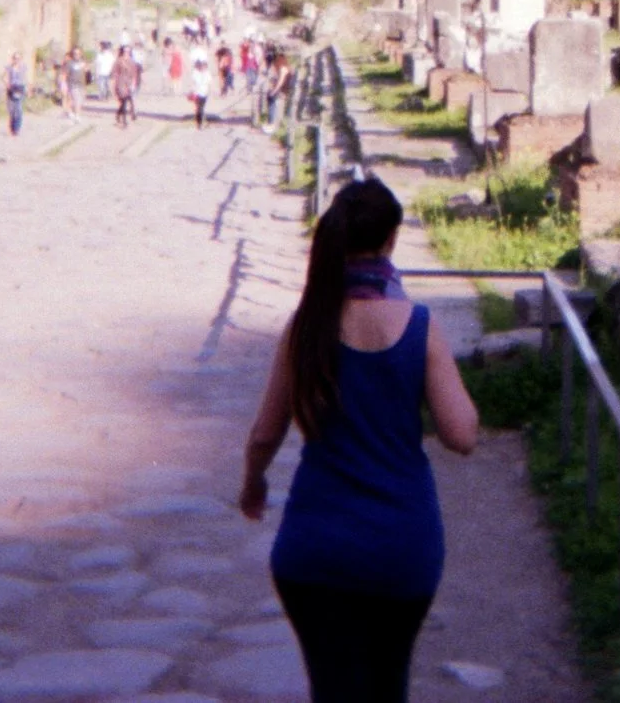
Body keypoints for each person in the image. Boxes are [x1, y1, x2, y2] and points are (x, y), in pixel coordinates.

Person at [242, 180, 476, 702]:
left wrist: (252, 484)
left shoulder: (306, 326)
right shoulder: (420, 326)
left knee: (332, 689)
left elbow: (264, 434)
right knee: (387, 686)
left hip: (315, 548)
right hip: (401, 545)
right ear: (392, 241)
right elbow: (462, 434)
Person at [112, 43, 141, 128]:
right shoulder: (118, 61)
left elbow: (134, 73)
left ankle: (119, 114)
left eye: (128, 51)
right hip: (120, 82)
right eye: (125, 51)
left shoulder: (132, 62)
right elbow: (115, 72)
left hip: (129, 82)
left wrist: (133, 83)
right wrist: (114, 82)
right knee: (123, 100)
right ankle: (124, 120)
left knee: (127, 100)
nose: (126, 53)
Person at [188, 41, 213, 128]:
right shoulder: (195, 73)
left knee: (201, 107)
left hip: (204, 92)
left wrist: (210, 90)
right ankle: (200, 122)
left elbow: (209, 83)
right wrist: (192, 91)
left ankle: (200, 120)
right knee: (199, 107)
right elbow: (193, 83)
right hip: (198, 92)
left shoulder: (207, 73)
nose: (202, 67)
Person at [4, 56, 28, 138]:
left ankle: (16, 129)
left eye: (18, 58)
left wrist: (29, 87)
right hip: (11, 88)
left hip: (20, 88)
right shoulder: (9, 67)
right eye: (15, 58)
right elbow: (4, 76)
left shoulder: (23, 67)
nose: (16, 60)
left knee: (18, 108)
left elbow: (26, 78)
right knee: (11, 108)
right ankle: (11, 127)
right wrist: (7, 84)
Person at [62, 46, 88, 121]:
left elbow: (86, 72)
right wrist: (64, 84)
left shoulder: (83, 62)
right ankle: (77, 115)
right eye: (75, 54)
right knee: (77, 99)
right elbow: (65, 74)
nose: (77, 55)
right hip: (73, 84)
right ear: (72, 54)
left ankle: (70, 111)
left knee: (81, 100)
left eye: (78, 53)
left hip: (82, 84)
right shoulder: (70, 63)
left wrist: (86, 69)